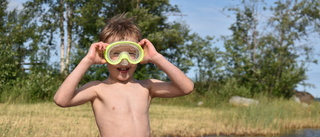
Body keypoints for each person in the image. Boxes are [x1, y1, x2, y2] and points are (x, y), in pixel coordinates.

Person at [53, 14, 194, 137]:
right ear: (104, 55)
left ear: (140, 54)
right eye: (115, 53)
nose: (124, 60)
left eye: (131, 52)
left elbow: (186, 88)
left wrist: (156, 57)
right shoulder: (98, 89)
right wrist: (87, 61)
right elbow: (61, 100)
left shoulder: (146, 87)